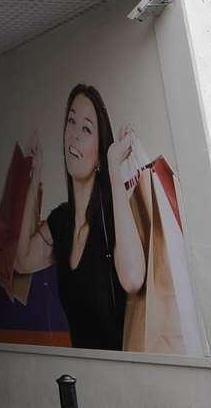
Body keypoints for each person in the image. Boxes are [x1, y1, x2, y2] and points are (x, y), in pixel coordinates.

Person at [10, 83, 148, 350]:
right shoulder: (61, 222)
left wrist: (114, 168)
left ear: (99, 153)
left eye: (86, 129)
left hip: (128, 377)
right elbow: (22, 260)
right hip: (85, 377)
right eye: (71, 122)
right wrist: (35, 175)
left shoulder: (114, 216)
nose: (73, 135)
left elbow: (132, 279)